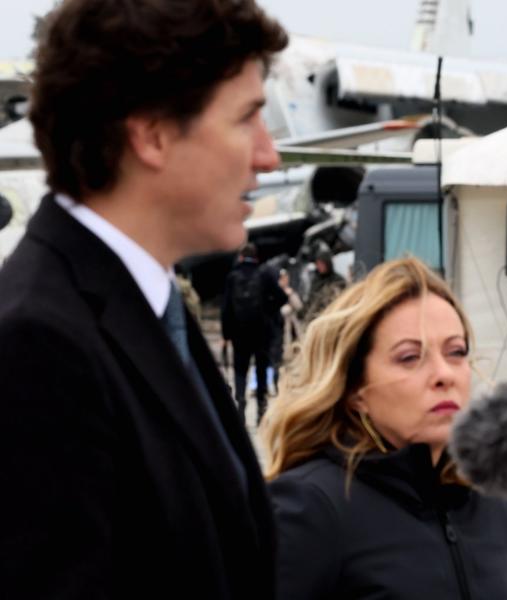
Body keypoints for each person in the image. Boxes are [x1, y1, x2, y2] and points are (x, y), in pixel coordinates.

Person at [0, 1, 288, 598]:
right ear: (152, 134)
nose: (269, 156)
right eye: (246, 119)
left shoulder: (144, 305)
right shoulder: (38, 344)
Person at [263, 257, 507, 599]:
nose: (443, 374)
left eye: (456, 352)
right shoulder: (310, 506)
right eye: (409, 357)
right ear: (356, 389)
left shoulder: (499, 502)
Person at [222, 242, 286, 424]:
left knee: (240, 369)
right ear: (256, 256)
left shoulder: (232, 277)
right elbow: (283, 297)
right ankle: (260, 408)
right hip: (262, 332)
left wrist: (226, 335)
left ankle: (240, 401)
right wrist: (268, 310)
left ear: (241, 257)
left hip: (239, 334)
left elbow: (226, 308)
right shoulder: (264, 274)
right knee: (260, 369)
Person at [301, 246, 346, 322]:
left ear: (327, 263)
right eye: (317, 264)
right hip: (314, 317)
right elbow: (311, 298)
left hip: (331, 316)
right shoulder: (316, 280)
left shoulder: (338, 280)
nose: (319, 266)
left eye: (322, 264)